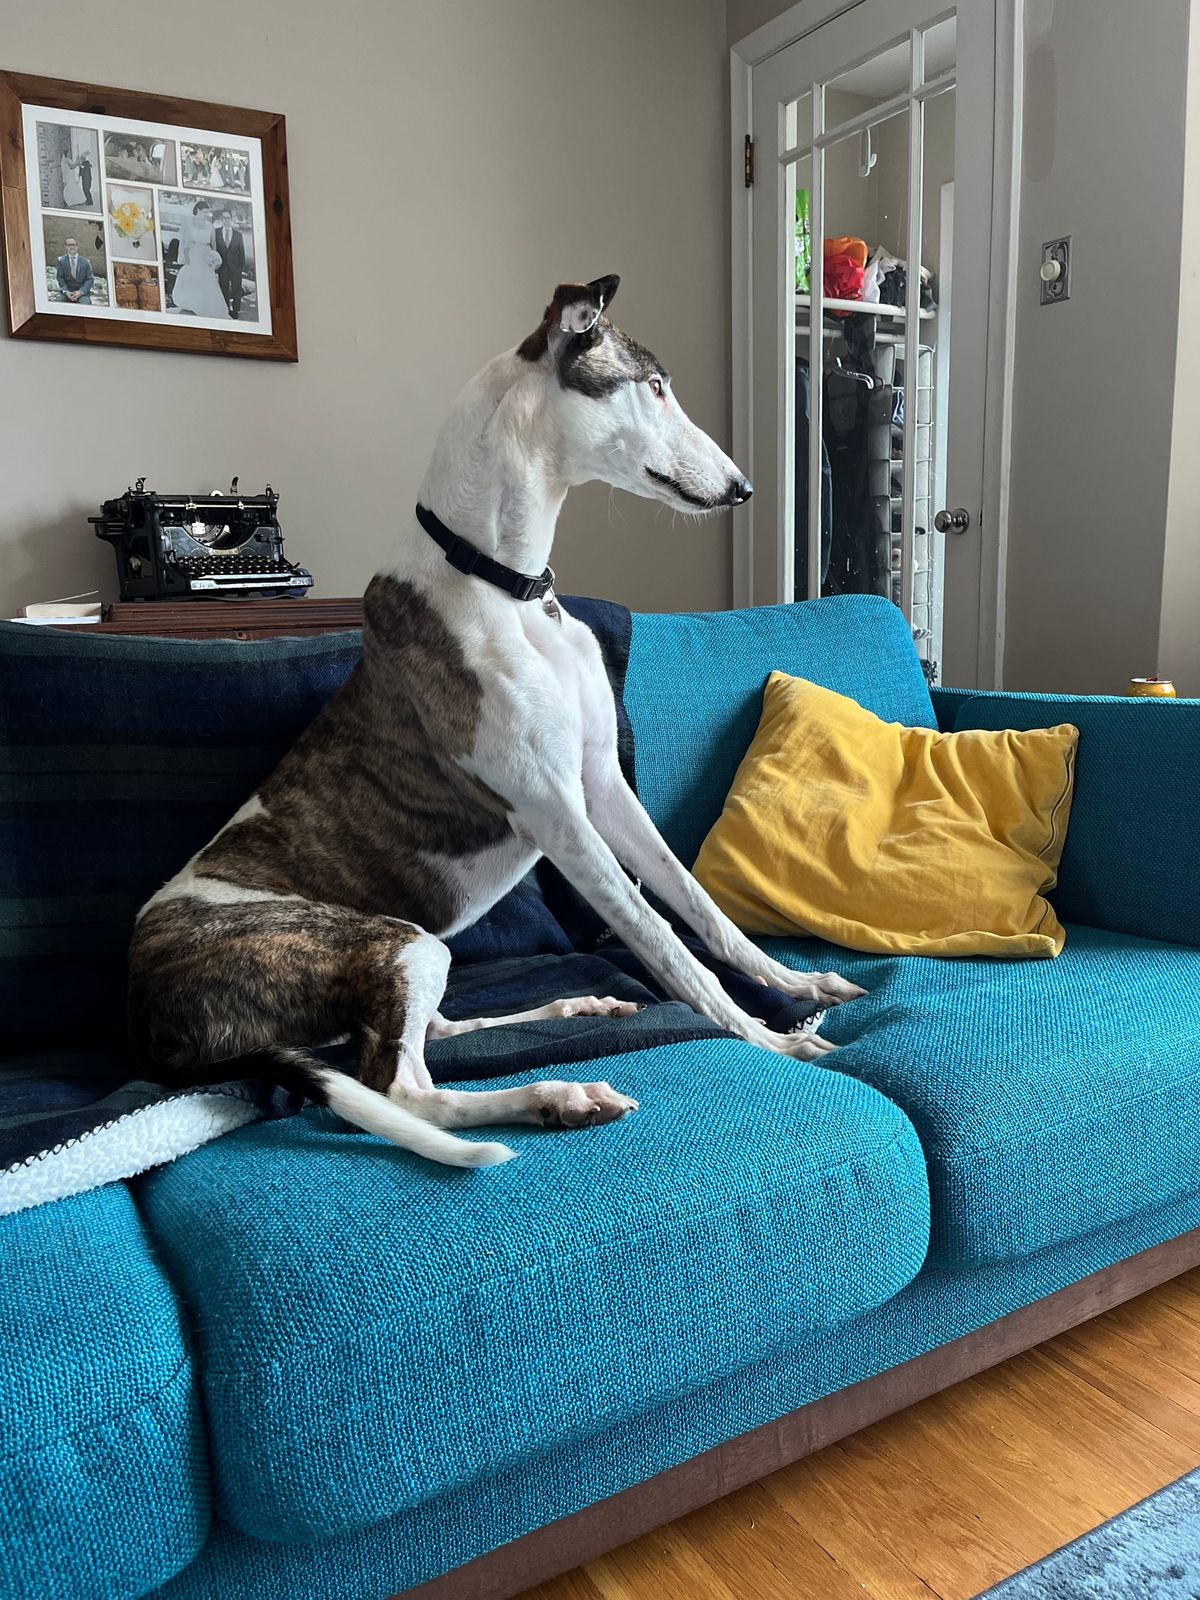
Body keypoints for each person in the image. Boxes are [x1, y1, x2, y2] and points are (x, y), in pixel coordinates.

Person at [170, 200, 228, 317]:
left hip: (206, 255)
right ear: (198, 211)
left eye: (208, 212)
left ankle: (206, 306)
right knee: (192, 278)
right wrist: (187, 260)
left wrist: (213, 257)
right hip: (193, 254)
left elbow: (214, 246)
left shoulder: (211, 227)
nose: (207, 214)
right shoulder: (189, 224)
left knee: (207, 280)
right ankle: (192, 304)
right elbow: (186, 245)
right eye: (204, 212)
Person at [213, 207, 247, 319]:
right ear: (221, 219)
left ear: (232, 219)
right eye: (224, 218)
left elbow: (241, 253)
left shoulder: (238, 235)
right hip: (223, 267)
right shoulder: (216, 233)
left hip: (235, 267)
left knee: (237, 290)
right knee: (224, 289)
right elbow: (214, 250)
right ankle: (226, 311)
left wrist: (241, 267)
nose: (226, 220)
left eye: (228, 218)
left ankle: (236, 311)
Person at [56, 239, 93, 304]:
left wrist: (80, 292)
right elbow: (60, 278)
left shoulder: (85, 262)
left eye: (74, 245)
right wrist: (66, 292)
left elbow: (89, 279)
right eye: (69, 245)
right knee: (56, 303)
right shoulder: (61, 261)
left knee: (85, 306)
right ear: (66, 247)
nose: (72, 247)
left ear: (77, 246)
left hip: (82, 294)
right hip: (66, 293)